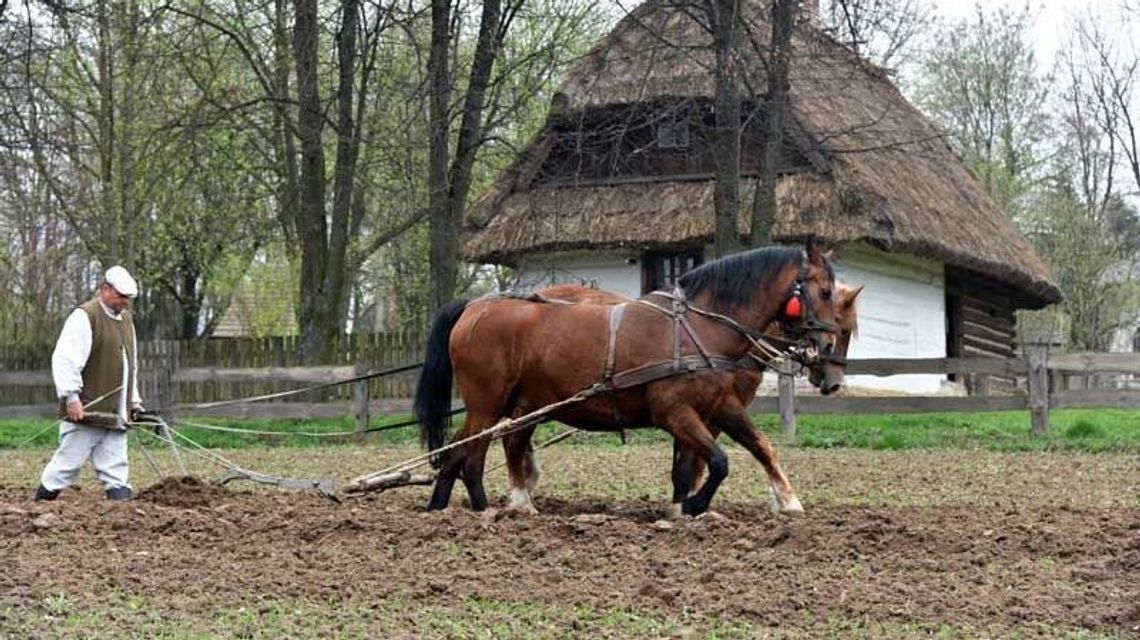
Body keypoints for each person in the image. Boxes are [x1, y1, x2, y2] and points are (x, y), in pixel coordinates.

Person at [34, 265, 144, 502]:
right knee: (67, 464)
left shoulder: (127, 321)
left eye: (128, 298)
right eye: (121, 296)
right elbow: (65, 358)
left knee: (116, 466)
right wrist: (71, 397)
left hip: (116, 413)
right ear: (105, 289)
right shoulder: (85, 316)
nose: (124, 302)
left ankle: (122, 511)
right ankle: (41, 504)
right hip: (87, 410)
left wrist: (133, 402)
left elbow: (129, 365)